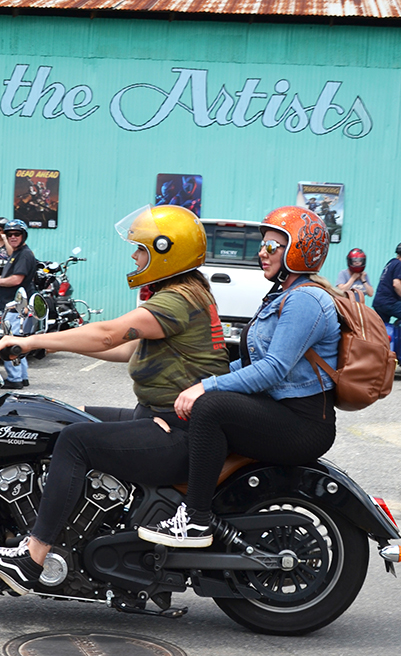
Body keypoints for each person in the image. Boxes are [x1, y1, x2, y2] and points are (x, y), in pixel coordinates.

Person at [0, 205, 230, 593]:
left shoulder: (178, 300)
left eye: (140, 249)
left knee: (76, 442)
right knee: (71, 419)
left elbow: (109, 334)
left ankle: (33, 557)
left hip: (178, 430)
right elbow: (126, 348)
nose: (135, 256)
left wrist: (31, 340)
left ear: (164, 252)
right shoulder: (184, 294)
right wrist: (57, 348)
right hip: (165, 418)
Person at [137, 206, 340, 548]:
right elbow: (250, 364)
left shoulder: (306, 299)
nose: (262, 252)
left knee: (211, 408)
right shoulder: (283, 295)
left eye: (272, 247)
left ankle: (195, 519)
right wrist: (194, 380)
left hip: (302, 424)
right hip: (281, 411)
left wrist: (206, 387)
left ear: (298, 251)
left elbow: (273, 369)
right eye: (263, 245)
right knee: (199, 401)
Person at [0, 219, 38, 389]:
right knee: (18, 341)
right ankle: (22, 376)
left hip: (16, 306)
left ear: (23, 235)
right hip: (14, 305)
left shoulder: (24, 255)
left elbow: (16, 280)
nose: (12, 237)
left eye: (16, 234)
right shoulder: (17, 253)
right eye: (9, 234)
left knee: (10, 342)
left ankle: (14, 379)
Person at [372, 241, 401, 323]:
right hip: (389, 302)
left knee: (382, 328)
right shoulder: (399, 264)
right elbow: (396, 284)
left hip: (379, 302)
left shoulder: (391, 262)